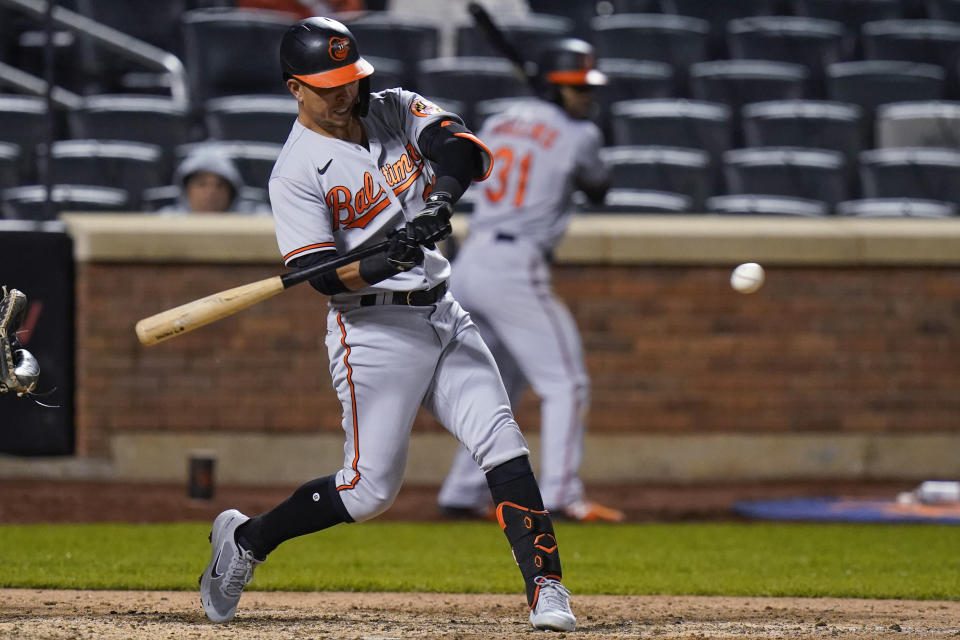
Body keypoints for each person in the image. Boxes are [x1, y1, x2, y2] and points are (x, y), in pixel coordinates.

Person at [199, 17, 576, 632]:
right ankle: (246, 541)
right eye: (328, 85)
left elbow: (464, 149)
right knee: (368, 493)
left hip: (443, 312)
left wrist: (440, 201)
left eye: (349, 78)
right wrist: (383, 257)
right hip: (372, 332)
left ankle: (547, 589)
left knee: (502, 441)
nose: (344, 93)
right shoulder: (294, 172)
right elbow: (321, 275)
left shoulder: (393, 107)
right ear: (296, 88)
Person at [436, 39, 625, 524]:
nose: (587, 98)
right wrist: (577, 130)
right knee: (567, 383)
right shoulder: (578, 133)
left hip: (471, 259)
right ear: (554, 88)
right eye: (576, 88)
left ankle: (459, 491)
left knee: (500, 382)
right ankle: (562, 494)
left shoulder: (500, 120)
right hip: (516, 265)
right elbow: (600, 189)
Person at [160, 146, 269, 214]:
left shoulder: (253, 222)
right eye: (202, 184)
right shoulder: (164, 223)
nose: (211, 192)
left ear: (232, 193)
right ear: (186, 189)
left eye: (220, 185)